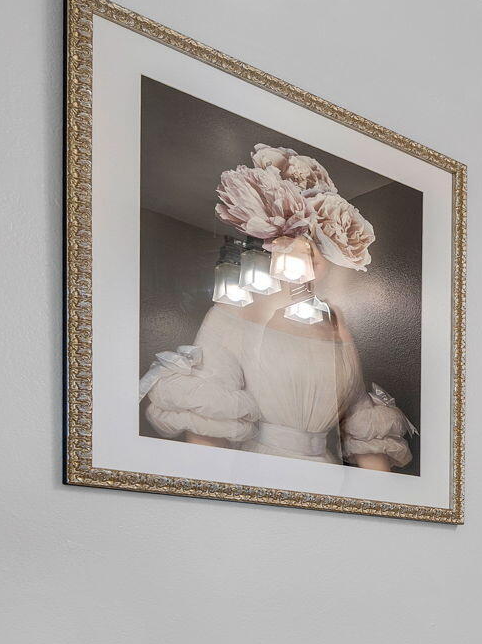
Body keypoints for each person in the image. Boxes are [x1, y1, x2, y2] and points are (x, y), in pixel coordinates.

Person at [139, 144, 413, 470]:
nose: (310, 253)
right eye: (300, 239)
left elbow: (360, 423)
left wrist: (379, 509)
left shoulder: (335, 320)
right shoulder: (234, 309)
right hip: (262, 476)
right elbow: (207, 428)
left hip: (329, 480)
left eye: (320, 243)